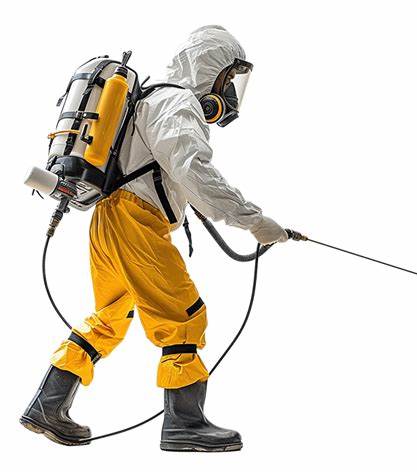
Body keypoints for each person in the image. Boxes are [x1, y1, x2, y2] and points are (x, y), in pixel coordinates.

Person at [20, 25, 288, 452]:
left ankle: (47, 406)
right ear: (210, 68)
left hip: (108, 219)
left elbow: (168, 173)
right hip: (136, 221)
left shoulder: (150, 99)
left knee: (109, 316)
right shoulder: (177, 102)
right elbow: (194, 170)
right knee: (183, 316)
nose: (230, 92)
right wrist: (254, 221)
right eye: (228, 78)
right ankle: (185, 423)